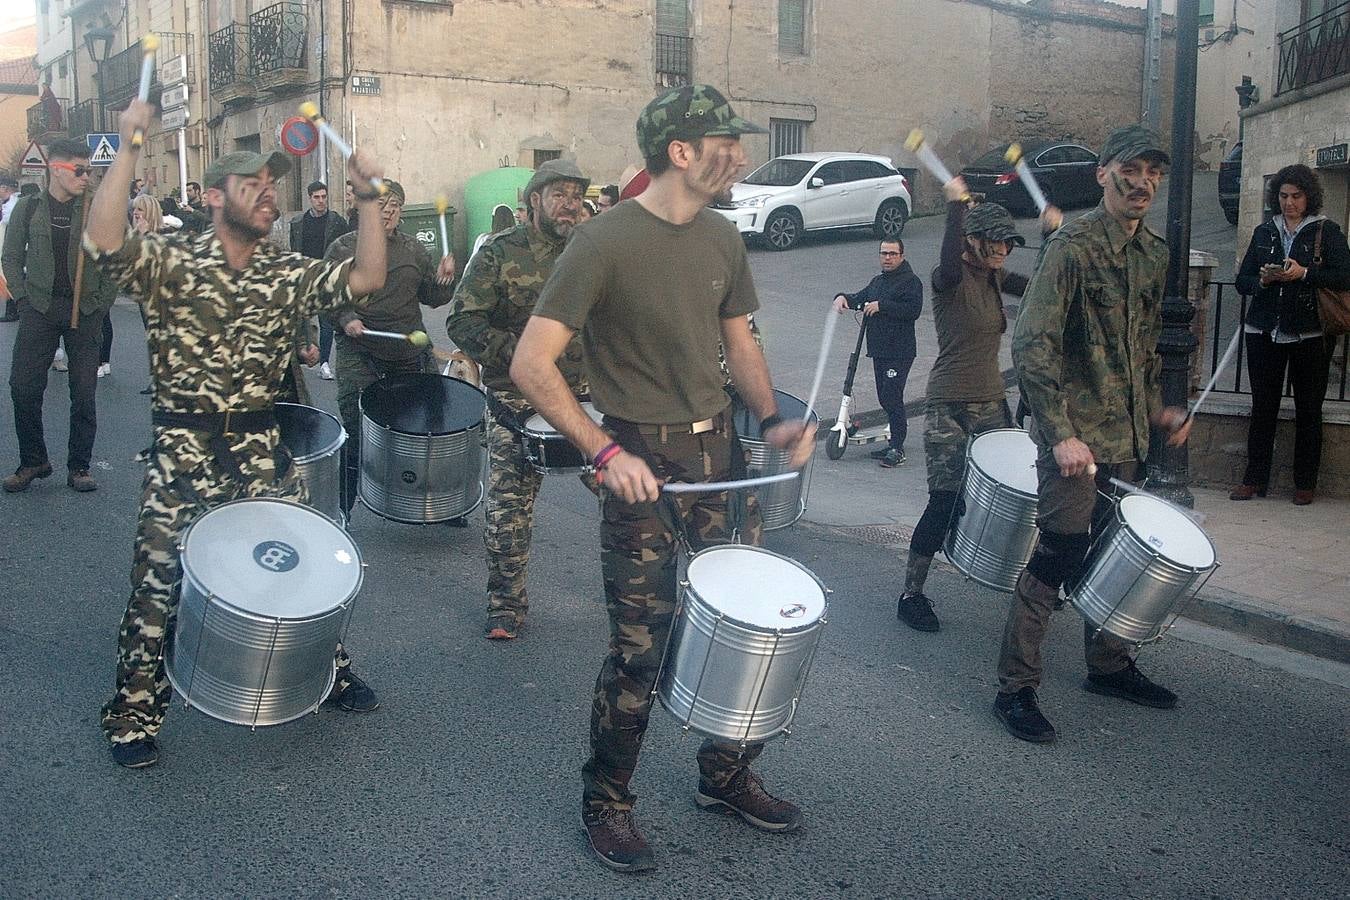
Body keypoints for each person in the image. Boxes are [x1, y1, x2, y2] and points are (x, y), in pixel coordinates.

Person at [511, 84, 815, 873]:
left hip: (719, 455)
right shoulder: (604, 241)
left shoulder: (722, 237)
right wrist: (606, 455)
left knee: (743, 625)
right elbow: (530, 364)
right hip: (638, 459)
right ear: (680, 152)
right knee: (640, 649)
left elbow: (739, 343)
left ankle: (726, 776)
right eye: (725, 142)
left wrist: (772, 418)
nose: (741, 156)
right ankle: (607, 804)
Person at [85, 99, 390, 769]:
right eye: (251, 184)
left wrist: (368, 196)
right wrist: (131, 141)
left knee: (297, 563)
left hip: (257, 444)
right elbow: (104, 239)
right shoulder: (170, 261)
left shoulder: (284, 271)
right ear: (216, 194)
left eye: (271, 185)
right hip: (182, 448)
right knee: (158, 580)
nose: (266, 195)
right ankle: (134, 711)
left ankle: (327, 671)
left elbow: (366, 280)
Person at [997, 125, 1191, 744]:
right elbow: (1032, 342)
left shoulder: (1153, 252)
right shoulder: (1073, 246)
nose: (1142, 183)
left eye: (1153, 173)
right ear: (1104, 173)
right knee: (1058, 554)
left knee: (1115, 557)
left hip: (1127, 436)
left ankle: (1108, 666)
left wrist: (1159, 409)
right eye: (1130, 169)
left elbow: (1142, 346)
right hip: (1075, 441)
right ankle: (1016, 688)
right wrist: (1058, 434)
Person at [893, 184, 1062, 632]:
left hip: (991, 402)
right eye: (998, 242)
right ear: (973, 240)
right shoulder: (947, 277)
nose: (1005, 250)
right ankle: (912, 594)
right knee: (943, 501)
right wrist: (953, 206)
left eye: (1009, 243)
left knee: (1027, 493)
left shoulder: (995, 276)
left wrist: (1050, 238)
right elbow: (949, 260)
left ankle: (1030, 582)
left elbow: (1043, 286)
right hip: (949, 403)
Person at [447, 159, 595, 640]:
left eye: (576, 195)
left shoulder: (594, 251)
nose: (570, 204)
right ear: (534, 201)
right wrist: (523, 356)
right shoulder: (499, 252)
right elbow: (462, 322)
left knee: (628, 504)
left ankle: (635, 603)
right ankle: (506, 605)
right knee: (507, 518)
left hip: (586, 406)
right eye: (559, 194)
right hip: (517, 406)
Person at [325, 179, 457, 520]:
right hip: (360, 352)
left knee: (428, 429)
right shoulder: (343, 248)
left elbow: (433, 297)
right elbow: (327, 298)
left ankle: (440, 505)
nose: (388, 213)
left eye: (394, 206)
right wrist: (346, 318)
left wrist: (444, 279)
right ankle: (343, 509)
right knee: (356, 433)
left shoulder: (414, 249)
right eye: (381, 206)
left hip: (409, 351)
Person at [3, 139, 119, 494]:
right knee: (23, 388)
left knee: (83, 392)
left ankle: (79, 466)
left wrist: (100, 304)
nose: (86, 177)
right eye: (78, 170)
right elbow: (10, 257)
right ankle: (33, 461)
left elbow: (115, 261)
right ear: (55, 168)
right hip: (39, 307)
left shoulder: (97, 209)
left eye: (89, 171)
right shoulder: (27, 207)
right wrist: (22, 300)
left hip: (84, 310)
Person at [1230, 164, 1350, 506]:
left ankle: (1304, 483)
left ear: (1308, 197)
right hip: (1264, 328)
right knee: (1262, 407)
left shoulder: (1326, 232)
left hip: (1310, 332)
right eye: (1283, 196)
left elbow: (1344, 276)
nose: (1289, 203)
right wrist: (1263, 281)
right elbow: (1243, 281)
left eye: (1296, 196)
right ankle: (1253, 479)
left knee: (1309, 409)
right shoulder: (1264, 232)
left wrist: (1304, 274)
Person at [830, 237, 923, 468]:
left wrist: (882, 306)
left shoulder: (911, 282)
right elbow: (860, 299)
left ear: (902, 255)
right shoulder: (878, 282)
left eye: (892, 253)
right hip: (879, 350)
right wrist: (842, 298)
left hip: (899, 351)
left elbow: (913, 310)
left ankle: (897, 447)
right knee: (884, 397)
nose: (887, 258)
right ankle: (892, 440)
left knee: (892, 395)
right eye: (884, 253)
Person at [289, 180, 351, 380]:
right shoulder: (298, 223)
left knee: (326, 323)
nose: (321, 201)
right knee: (303, 319)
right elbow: (294, 250)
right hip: (305, 277)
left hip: (327, 277)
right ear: (310, 199)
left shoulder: (336, 221)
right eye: (317, 197)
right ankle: (308, 351)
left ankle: (324, 362)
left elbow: (344, 248)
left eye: (324, 197)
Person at [0, 174, 19, 322]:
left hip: (13, 249)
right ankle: (11, 311)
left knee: (11, 278)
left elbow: (6, 221)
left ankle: (12, 312)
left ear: (4, 188)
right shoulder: (8, 203)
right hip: (7, 248)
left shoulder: (13, 205)